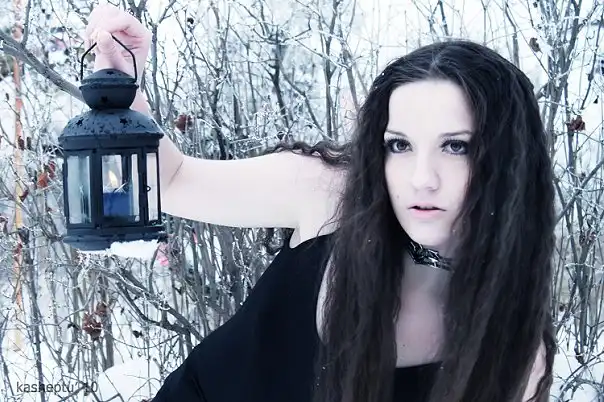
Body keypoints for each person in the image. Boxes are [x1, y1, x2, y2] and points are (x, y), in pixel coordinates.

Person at [85, 3, 557, 402]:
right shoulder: (331, 194)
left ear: (508, 159)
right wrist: (119, 88)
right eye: (399, 145)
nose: (421, 179)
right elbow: (173, 180)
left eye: (456, 146)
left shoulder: (514, 349)